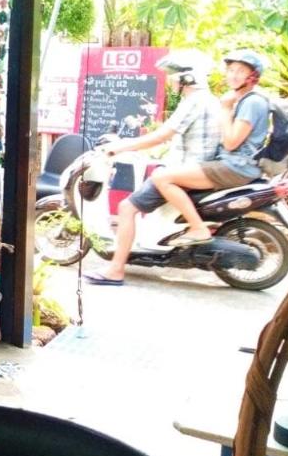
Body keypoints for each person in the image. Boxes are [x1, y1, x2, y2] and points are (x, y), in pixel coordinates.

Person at [84, 56, 220, 285]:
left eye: (174, 77)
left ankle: (116, 270)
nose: (171, 81)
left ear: (187, 78)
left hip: (185, 170)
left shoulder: (194, 101)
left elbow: (162, 135)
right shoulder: (209, 100)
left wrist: (118, 147)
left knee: (126, 208)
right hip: (194, 167)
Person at [149, 49, 271, 247]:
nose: (233, 75)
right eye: (231, 70)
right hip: (233, 164)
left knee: (161, 177)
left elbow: (231, 142)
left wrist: (225, 108)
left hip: (236, 167)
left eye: (240, 71)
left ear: (253, 76)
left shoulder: (253, 102)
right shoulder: (243, 100)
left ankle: (198, 228)